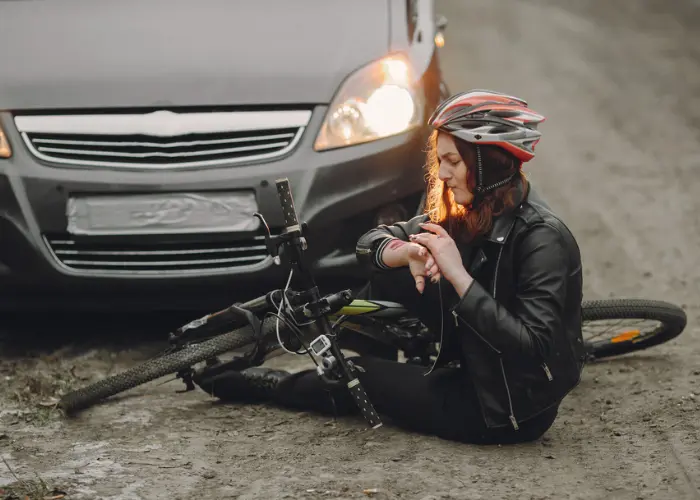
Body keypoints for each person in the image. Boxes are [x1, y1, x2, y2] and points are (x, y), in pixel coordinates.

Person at [193, 89, 586, 445]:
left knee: (359, 377)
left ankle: (272, 385)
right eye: (441, 160)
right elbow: (371, 242)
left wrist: (457, 274)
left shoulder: (542, 239)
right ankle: (367, 359)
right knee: (397, 270)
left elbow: (531, 349)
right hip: (474, 349)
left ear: (491, 164)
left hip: (499, 408)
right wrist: (405, 253)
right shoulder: (473, 210)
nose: (443, 174)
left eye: (453, 161)